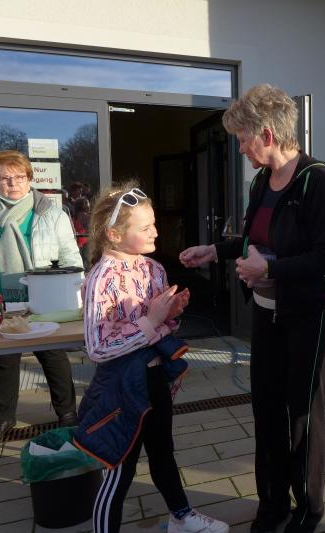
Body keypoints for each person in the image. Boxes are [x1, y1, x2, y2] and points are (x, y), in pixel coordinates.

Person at [179, 84, 325, 533]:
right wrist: (215, 250)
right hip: (267, 313)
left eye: (243, 139)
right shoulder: (260, 181)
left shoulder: (315, 179)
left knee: (302, 415)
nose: (240, 148)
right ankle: (272, 507)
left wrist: (270, 268)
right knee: (266, 411)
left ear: (267, 135)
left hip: (308, 314)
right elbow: (254, 240)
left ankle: (307, 511)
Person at [77, 183, 227, 533]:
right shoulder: (102, 278)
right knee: (120, 468)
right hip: (120, 387)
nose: (156, 232)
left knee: (162, 451)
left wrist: (170, 314)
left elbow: (161, 326)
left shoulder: (153, 269)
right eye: (145, 227)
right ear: (114, 235)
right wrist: (152, 320)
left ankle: (181, 516)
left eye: (154, 223)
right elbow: (97, 347)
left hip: (154, 378)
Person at [0, 150, 82, 445]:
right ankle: (4, 419)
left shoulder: (52, 213)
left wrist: (74, 291)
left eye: (19, 176)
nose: (12, 183)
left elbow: (70, 256)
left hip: (43, 299)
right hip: (0, 298)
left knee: (52, 356)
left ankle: (67, 415)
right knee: (3, 359)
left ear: (29, 178)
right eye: (4, 178)